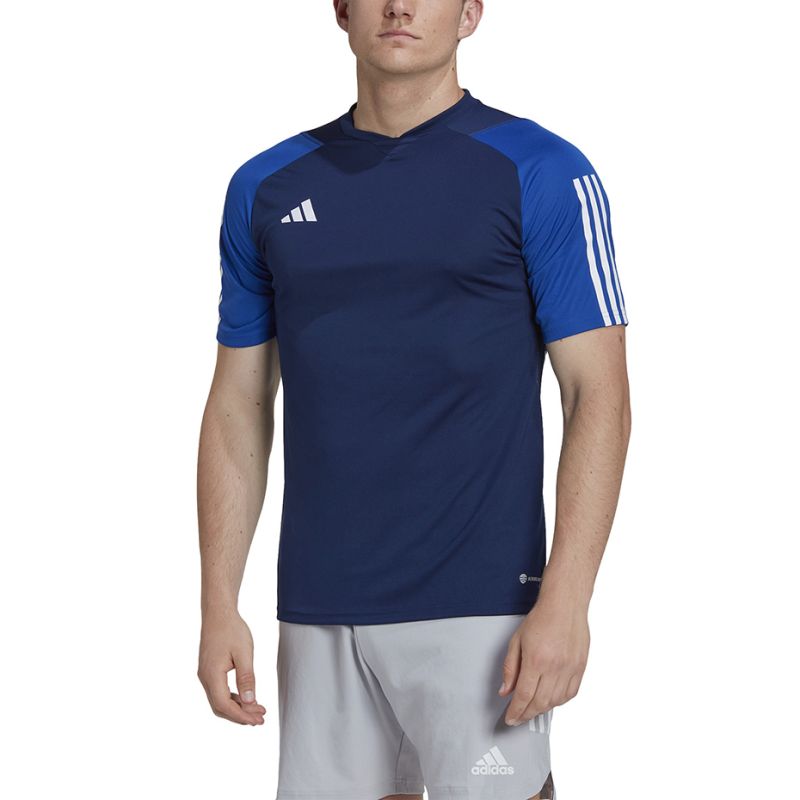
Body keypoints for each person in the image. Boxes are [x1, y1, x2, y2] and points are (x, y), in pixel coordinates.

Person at [196, 1, 632, 798]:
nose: (399, 5)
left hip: (483, 608)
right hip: (320, 610)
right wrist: (219, 601)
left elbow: (597, 392)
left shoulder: (541, 171)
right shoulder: (265, 187)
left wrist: (568, 600)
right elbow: (239, 404)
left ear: (470, 13)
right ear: (341, 9)